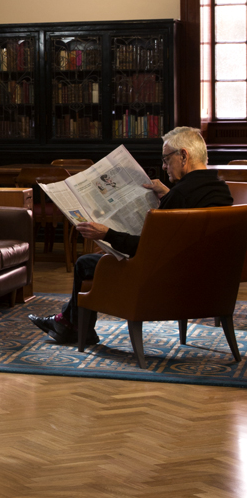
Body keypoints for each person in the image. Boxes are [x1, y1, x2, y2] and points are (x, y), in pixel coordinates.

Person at [29, 126, 233, 345]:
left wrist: (107, 233)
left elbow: (146, 248)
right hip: (208, 282)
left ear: (183, 155)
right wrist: (168, 195)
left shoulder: (180, 196)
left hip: (164, 282)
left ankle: (75, 327)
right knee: (96, 260)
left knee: (85, 263)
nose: (164, 167)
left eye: (166, 159)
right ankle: (67, 322)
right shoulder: (221, 191)